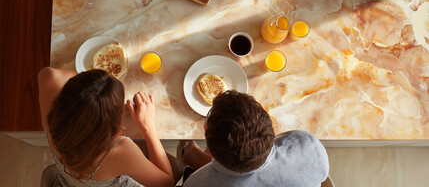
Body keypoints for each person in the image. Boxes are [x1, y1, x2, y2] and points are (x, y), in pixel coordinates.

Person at [38, 67, 180, 187]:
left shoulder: (49, 79)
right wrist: (148, 127)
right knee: (177, 166)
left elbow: (53, 75)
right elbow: (166, 183)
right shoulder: (120, 152)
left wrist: (93, 96)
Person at [180, 90, 329, 187]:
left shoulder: (195, 183)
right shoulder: (307, 147)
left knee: (185, 152)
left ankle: (189, 153)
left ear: (212, 153)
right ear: (271, 129)